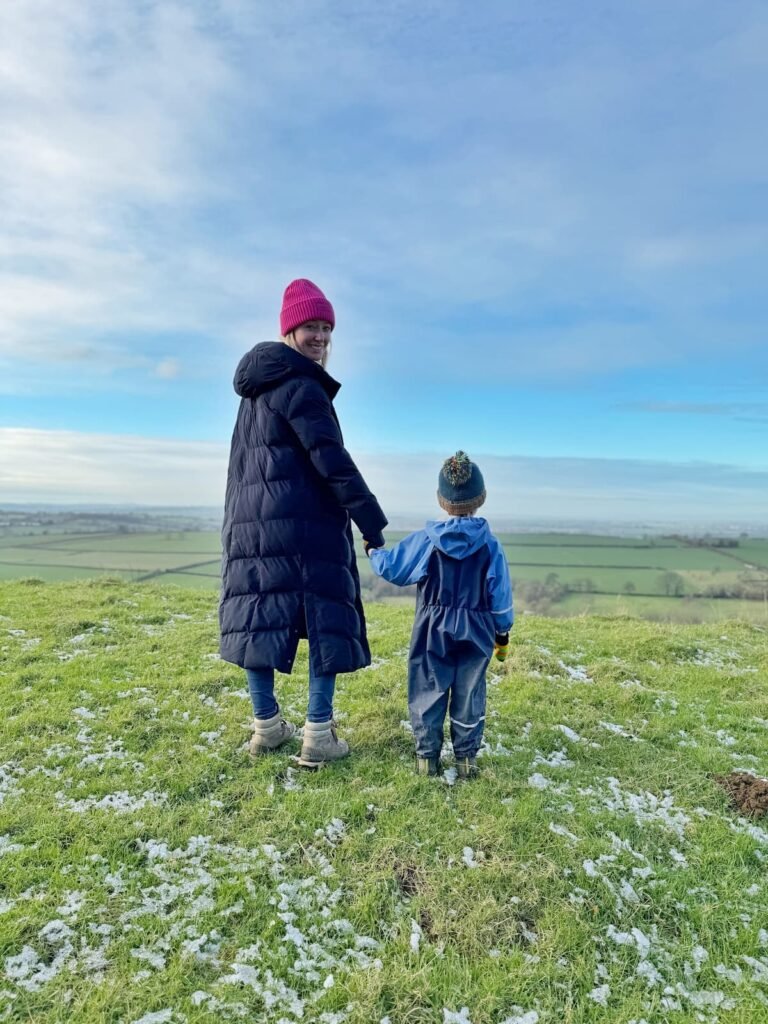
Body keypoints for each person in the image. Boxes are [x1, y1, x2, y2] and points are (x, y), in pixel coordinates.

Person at [219, 278, 387, 767]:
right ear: (290, 329)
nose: (320, 337)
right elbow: (332, 461)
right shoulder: (302, 386)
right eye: (311, 326)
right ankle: (318, 734)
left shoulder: (256, 388)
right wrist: (372, 524)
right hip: (303, 526)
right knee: (325, 622)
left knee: (257, 619)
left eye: (327, 328)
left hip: (252, 526)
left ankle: (267, 727)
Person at [366, 452, 512, 779]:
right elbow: (500, 599)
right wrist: (502, 634)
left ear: (441, 500)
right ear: (482, 498)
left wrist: (372, 551)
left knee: (428, 688)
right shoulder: (490, 545)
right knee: (470, 691)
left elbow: (394, 568)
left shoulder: (426, 541)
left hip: (432, 627)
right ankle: (465, 761)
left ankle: (426, 760)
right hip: (477, 628)